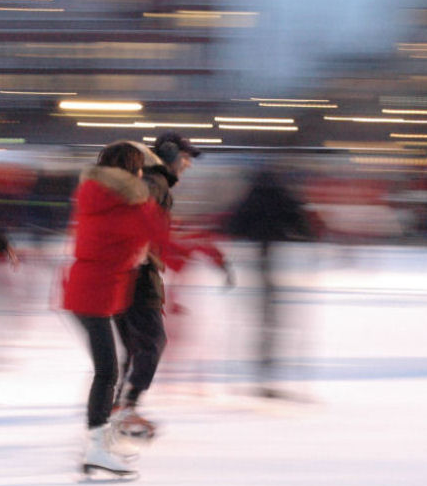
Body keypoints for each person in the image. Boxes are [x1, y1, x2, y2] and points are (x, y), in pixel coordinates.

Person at [109, 132, 231, 439]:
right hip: (136, 273)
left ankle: (117, 408)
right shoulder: (155, 183)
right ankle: (125, 410)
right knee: (151, 343)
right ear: (170, 154)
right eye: (186, 157)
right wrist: (154, 249)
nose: (188, 164)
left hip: (117, 272)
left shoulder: (145, 180)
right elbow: (141, 220)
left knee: (135, 347)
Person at [62, 140, 169, 477]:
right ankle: (96, 449)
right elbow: (164, 240)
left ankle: (98, 446)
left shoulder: (97, 195)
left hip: (88, 291)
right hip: (92, 293)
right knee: (107, 371)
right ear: (131, 170)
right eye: (140, 168)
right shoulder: (124, 204)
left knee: (107, 369)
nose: (143, 174)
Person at [225, 159, 313, 398]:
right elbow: (303, 226)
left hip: (255, 262)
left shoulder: (251, 196)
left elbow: (232, 226)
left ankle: (261, 365)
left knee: (261, 315)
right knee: (272, 315)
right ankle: (268, 364)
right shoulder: (283, 195)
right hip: (277, 262)